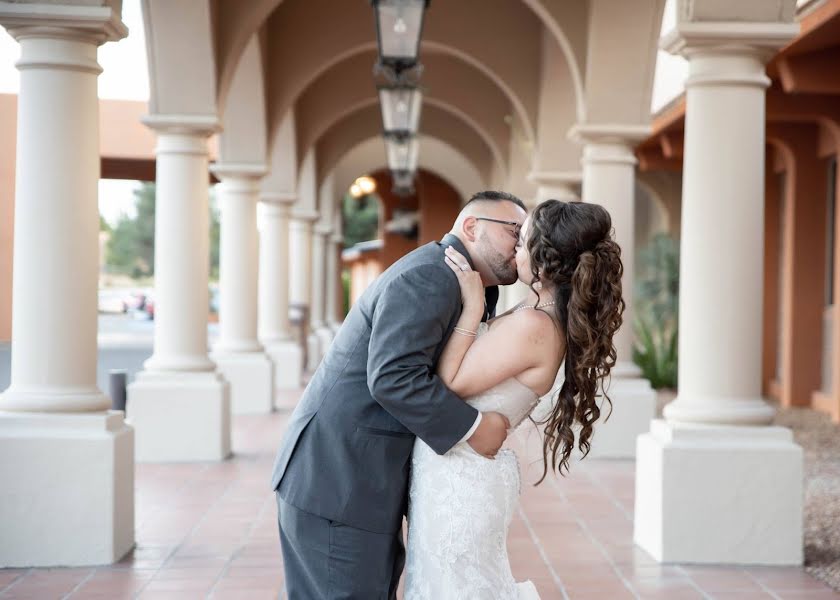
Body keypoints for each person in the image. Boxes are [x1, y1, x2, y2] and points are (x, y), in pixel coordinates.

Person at [270, 191, 528, 599]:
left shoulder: (463, 285)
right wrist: (474, 429)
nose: (521, 242)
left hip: (363, 482)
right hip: (340, 480)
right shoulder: (430, 276)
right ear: (471, 227)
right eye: (514, 230)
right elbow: (392, 377)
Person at [403, 199, 625, 599]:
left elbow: (449, 381)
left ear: (543, 262)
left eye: (522, 243)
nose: (514, 251)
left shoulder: (534, 325)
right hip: (461, 467)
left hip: (461, 477)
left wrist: (472, 308)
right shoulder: (536, 311)